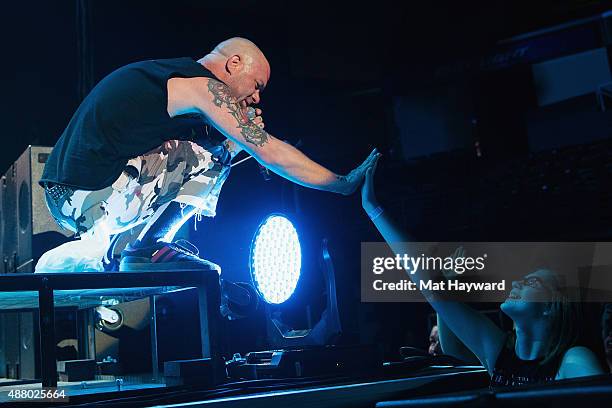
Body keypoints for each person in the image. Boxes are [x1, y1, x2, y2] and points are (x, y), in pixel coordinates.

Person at [36, 37, 378, 272]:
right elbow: (271, 152)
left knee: (215, 144)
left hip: (68, 196)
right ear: (233, 64)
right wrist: (341, 183)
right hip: (89, 196)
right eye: (256, 86)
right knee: (221, 153)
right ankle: (146, 248)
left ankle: (104, 248)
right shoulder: (204, 87)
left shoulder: (168, 78)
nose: (257, 98)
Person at [360, 157, 604, 386]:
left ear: (551, 306)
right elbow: (431, 290)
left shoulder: (574, 360)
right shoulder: (499, 352)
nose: (518, 283)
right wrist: (373, 208)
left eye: (533, 283)